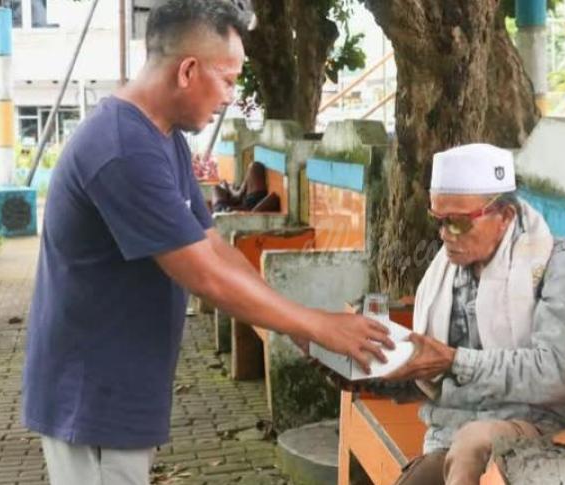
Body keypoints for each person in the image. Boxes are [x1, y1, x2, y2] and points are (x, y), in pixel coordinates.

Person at [20, 2, 392, 484]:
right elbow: (204, 275)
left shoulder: (161, 137)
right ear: (188, 70)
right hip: (92, 396)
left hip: (121, 386)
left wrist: (294, 322)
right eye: (228, 80)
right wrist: (316, 325)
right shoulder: (121, 149)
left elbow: (214, 248)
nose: (231, 97)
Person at [368, 143, 565, 485]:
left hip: (544, 432)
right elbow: (440, 386)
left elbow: (558, 373)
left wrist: (454, 360)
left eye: (458, 222)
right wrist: (382, 374)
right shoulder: (447, 276)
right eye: (439, 221)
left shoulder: (562, 268)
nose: (444, 235)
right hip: (450, 436)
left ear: (505, 216)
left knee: (474, 442)